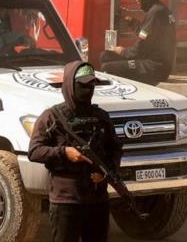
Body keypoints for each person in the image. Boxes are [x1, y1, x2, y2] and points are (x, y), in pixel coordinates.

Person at [28, 62, 122, 242]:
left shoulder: (101, 117)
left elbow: (115, 148)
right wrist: (64, 152)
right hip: (66, 200)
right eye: (83, 85)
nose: (88, 90)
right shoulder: (51, 116)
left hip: (97, 199)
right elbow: (35, 151)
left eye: (92, 85)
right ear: (70, 84)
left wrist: (106, 172)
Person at [99, 0, 176, 86]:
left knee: (107, 67)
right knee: (105, 56)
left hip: (154, 67)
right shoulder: (158, 10)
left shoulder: (155, 13)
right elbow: (145, 33)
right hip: (150, 61)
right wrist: (131, 21)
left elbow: (139, 49)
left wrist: (122, 51)